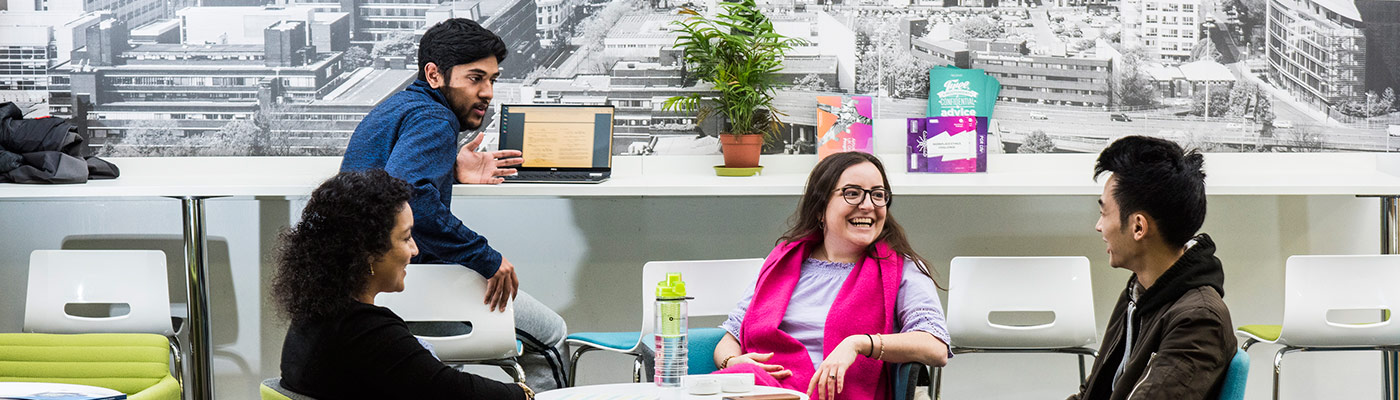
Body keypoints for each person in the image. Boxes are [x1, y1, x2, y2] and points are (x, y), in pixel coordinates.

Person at [339, 18, 569, 389]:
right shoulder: (434, 117)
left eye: (492, 79)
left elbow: (389, 182)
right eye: (475, 78)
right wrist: (486, 258)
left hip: (374, 291)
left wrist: (449, 168)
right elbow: (410, 195)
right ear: (434, 74)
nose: (488, 92)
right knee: (552, 337)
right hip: (420, 287)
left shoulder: (399, 107)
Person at [272, 169, 533, 399]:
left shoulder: (315, 317)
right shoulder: (369, 334)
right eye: (406, 237)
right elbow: (453, 390)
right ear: (368, 251)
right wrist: (522, 393)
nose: (415, 250)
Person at [712, 152, 951, 400]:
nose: (868, 205)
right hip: (764, 389)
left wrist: (859, 344)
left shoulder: (904, 270)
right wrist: (733, 363)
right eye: (852, 193)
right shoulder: (781, 263)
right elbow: (729, 339)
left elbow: (935, 347)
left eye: (878, 195)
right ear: (820, 209)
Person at [1068, 136, 1236, 400]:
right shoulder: (1137, 295)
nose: (1099, 227)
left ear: (1138, 227)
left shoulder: (1199, 320)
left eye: (1104, 213)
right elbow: (1091, 394)